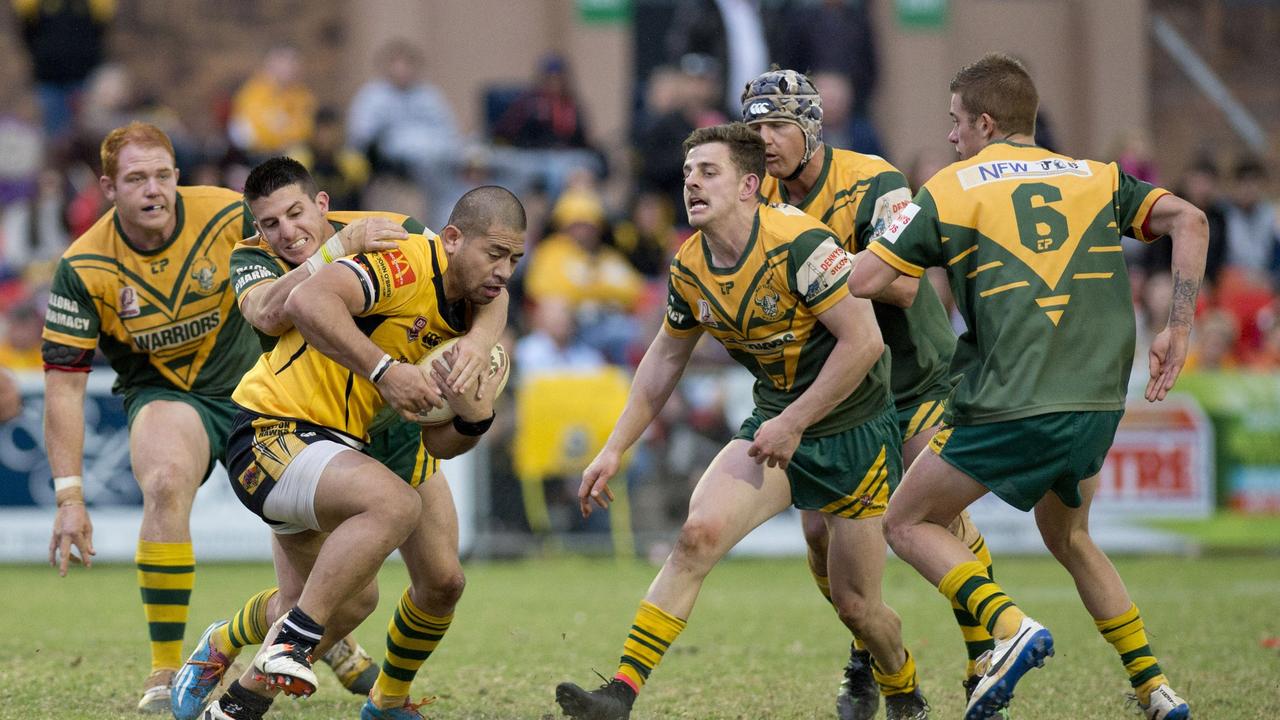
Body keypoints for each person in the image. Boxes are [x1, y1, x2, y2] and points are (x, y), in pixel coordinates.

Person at [849, 53, 1205, 720]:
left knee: (905, 520)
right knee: (1070, 538)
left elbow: (866, 281)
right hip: (1097, 402)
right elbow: (1191, 220)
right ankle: (1155, 689)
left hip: (1012, 401)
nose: (952, 137)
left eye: (956, 122)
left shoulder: (953, 187)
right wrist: (1177, 330)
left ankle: (1008, 626)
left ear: (985, 122)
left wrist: (826, 246)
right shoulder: (1097, 177)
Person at [555, 123, 928, 720]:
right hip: (775, 423)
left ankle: (903, 688)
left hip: (853, 432)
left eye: (709, 172)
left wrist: (798, 422)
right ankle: (619, 694)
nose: (692, 184)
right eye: (686, 174)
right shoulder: (690, 264)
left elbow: (864, 345)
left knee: (859, 609)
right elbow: (663, 361)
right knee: (695, 536)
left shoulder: (802, 243)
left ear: (750, 185)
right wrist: (613, 449)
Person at [169, 156, 505, 719]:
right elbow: (275, 311)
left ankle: (376, 699)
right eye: (270, 223)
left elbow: (482, 278)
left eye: (296, 213)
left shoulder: (391, 232)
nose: (286, 233)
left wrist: (478, 357)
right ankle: (240, 645)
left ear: (321, 203)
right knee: (317, 602)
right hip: (295, 424)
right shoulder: (258, 258)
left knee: (434, 584)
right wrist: (338, 248)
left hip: (387, 429)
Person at [742, 67, 998, 718]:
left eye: (776, 126)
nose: (764, 140)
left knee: (931, 511)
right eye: (754, 127)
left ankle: (984, 658)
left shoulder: (874, 180)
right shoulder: (755, 198)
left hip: (914, 375)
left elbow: (906, 286)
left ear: (809, 129)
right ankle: (866, 653)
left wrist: (818, 270)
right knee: (818, 539)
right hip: (844, 388)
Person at [41, 121, 261, 713]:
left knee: (312, 519)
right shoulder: (83, 266)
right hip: (166, 396)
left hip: (258, 388)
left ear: (177, 178)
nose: (153, 189)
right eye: (137, 178)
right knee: (163, 480)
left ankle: (313, 629)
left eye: (163, 175)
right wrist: (70, 498)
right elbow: (63, 388)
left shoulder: (229, 215)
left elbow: (309, 244)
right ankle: (166, 670)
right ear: (109, 188)